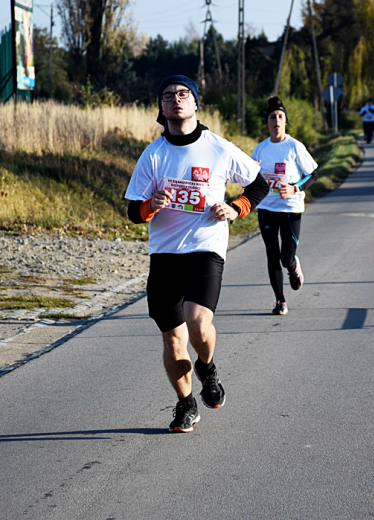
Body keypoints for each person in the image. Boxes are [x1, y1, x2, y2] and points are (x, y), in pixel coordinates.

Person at [124, 75, 269, 433]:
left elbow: (259, 183)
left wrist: (238, 207)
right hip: (165, 254)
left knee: (198, 322)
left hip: (206, 248)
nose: (176, 99)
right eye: (168, 95)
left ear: (196, 104)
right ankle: (186, 403)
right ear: (161, 107)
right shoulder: (153, 154)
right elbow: (131, 211)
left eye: (184, 94)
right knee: (173, 340)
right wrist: (149, 206)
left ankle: (208, 367)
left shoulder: (217, 146)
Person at [252, 97, 319, 316]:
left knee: (285, 257)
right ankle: (280, 301)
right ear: (267, 122)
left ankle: (293, 266)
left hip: (291, 208)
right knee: (272, 255)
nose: (276, 121)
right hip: (267, 208)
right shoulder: (260, 149)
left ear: (285, 122)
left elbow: (313, 174)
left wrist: (294, 188)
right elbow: (250, 178)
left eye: (281, 117)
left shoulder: (294, 146)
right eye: (273, 117)